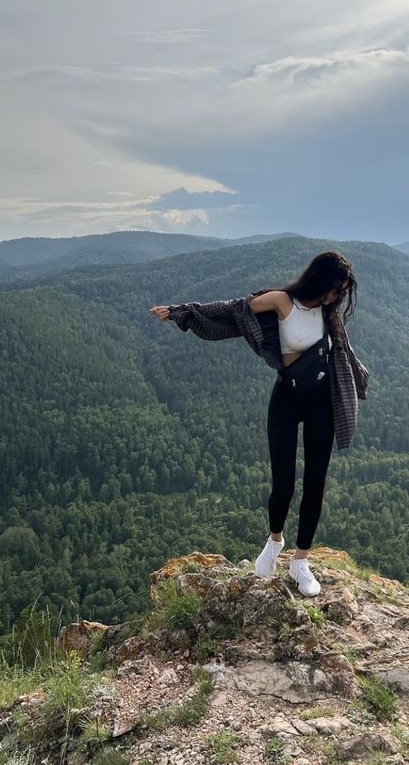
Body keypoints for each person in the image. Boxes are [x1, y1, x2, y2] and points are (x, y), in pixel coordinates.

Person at [149, 250, 369, 597]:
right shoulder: (282, 301)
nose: (336, 296)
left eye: (341, 291)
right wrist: (184, 312)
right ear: (318, 280)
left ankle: (301, 562)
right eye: (334, 288)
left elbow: (338, 349)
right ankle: (274, 542)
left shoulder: (330, 313)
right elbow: (233, 309)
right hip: (286, 396)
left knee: (315, 482)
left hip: (321, 401)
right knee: (282, 483)